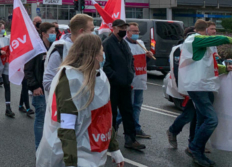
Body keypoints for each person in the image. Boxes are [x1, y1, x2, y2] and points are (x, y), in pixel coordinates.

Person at [36, 34, 124, 167]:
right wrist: (71, 162)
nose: (104, 54)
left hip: (92, 151)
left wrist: (115, 149)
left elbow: (104, 118)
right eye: (102, 51)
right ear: (93, 54)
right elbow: (67, 126)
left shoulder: (100, 76)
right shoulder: (70, 80)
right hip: (71, 152)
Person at [177, 19, 232, 166]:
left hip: (205, 86)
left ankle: (197, 151)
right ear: (205, 30)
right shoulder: (194, 39)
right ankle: (194, 148)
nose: (214, 32)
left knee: (202, 120)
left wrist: (225, 69)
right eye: (212, 29)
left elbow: (209, 65)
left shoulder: (207, 46)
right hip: (197, 86)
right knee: (211, 119)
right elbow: (219, 39)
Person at [102, 19, 145, 151]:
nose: (123, 30)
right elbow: (105, 64)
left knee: (128, 112)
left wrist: (130, 74)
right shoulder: (107, 44)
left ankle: (130, 139)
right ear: (114, 28)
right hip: (113, 85)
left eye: (125, 27)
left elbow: (130, 59)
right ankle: (110, 140)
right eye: (121, 27)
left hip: (126, 84)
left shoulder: (124, 43)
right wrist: (115, 77)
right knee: (112, 114)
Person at [115, 22, 154, 139]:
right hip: (129, 81)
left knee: (137, 106)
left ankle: (136, 128)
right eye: (134, 31)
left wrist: (148, 57)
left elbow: (143, 63)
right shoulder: (123, 44)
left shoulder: (140, 43)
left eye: (137, 31)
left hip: (140, 79)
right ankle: (114, 125)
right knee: (127, 107)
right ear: (127, 32)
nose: (136, 33)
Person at [166, 27, 201, 151]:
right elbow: (176, 70)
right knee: (189, 114)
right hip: (186, 88)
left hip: (198, 86)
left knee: (196, 116)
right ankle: (173, 130)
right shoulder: (178, 49)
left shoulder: (198, 47)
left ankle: (193, 142)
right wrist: (182, 89)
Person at [43, 14, 94, 95]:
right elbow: (47, 83)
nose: (93, 33)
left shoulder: (88, 49)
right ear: (81, 31)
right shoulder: (60, 51)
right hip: (68, 104)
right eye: (91, 30)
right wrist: (72, 91)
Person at [24, 22, 56, 150]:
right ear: (43, 34)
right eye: (51, 32)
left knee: (52, 121)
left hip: (53, 90)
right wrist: (35, 86)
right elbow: (28, 70)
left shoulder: (55, 47)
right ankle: (39, 149)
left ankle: (49, 148)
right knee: (40, 119)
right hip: (40, 90)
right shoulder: (36, 49)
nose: (54, 34)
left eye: (55, 32)